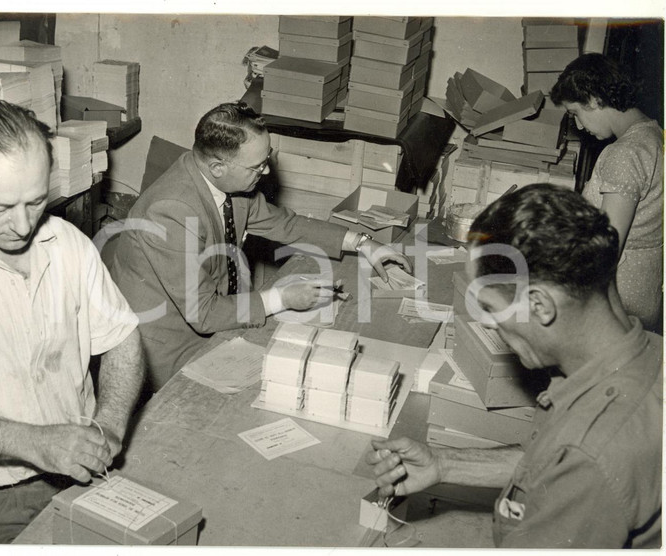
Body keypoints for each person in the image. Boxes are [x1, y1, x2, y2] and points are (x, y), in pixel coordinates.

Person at [367, 184, 662, 548]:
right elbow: (551, 463)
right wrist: (444, 464)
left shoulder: (593, 456)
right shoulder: (646, 355)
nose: (489, 323)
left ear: (539, 305)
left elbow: (577, 462)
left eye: (491, 308)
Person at [0, 100, 145, 543]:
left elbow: (123, 338)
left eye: (35, 201)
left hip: (75, 472)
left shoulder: (67, 243)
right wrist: (36, 444)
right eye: (0, 207)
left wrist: (110, 427)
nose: (23, 225)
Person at [109, 101, 411, 390]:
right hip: (166, 348)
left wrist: (362, 242)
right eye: (258, 166)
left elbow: (286, 224)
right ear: (217, 167)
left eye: (267, 160)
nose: (266, 172)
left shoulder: (228, 184)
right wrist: (282, 298)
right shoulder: (170, 211)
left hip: (215, 319)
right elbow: (203, 314)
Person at [550, 53, 663, 333]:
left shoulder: (623, 154)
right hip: (644, 292)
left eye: (575, 113)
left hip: (617, 302)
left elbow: (606, 248)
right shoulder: (655, 135)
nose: (578, 126)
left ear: (594, 100)